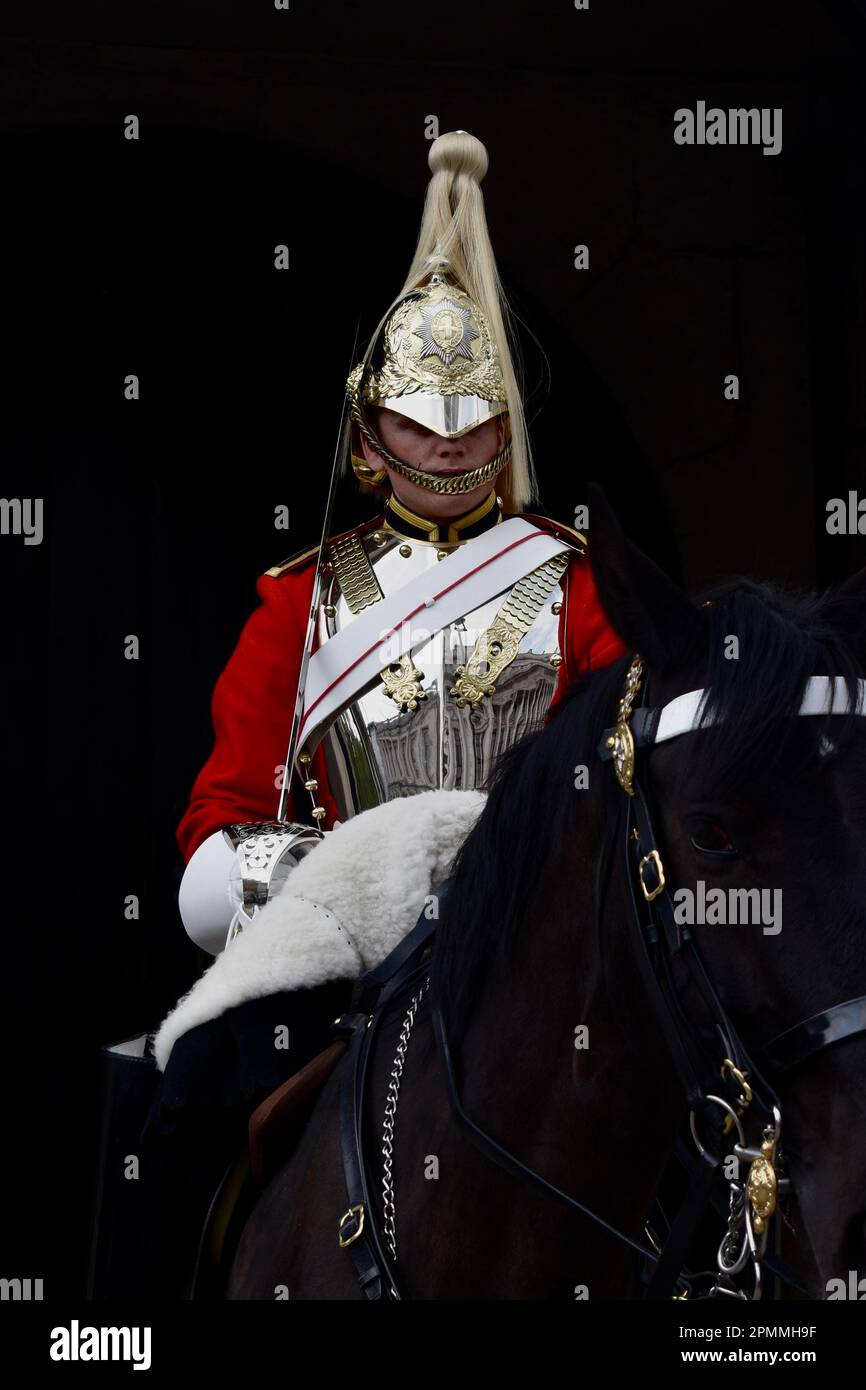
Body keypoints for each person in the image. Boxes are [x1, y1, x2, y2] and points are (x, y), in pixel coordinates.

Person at [142, 129, 626, 1296]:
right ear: (369, 440)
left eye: (472, 423)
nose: (449, 446)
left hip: (535, 960)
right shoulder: (299, 602)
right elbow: (216, 829)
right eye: (419, 423)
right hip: (345, 974)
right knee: (176, 1107)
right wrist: (356, 879)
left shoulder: (576, 585)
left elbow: (625, 761)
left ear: (505, 432)